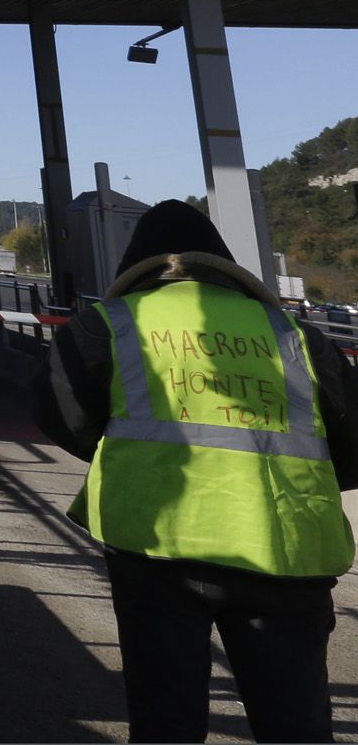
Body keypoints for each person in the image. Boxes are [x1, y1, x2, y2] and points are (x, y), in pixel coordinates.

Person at [33, 199, 358, 742]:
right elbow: (352, 440)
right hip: (287, 552)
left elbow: (59, 413)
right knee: (295, 724)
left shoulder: (110, 324)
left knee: (166, 720)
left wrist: (126, 456)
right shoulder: (296, 336)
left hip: (156, 547)